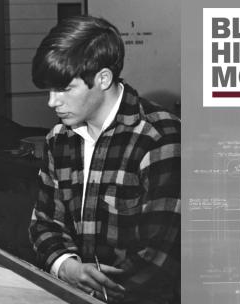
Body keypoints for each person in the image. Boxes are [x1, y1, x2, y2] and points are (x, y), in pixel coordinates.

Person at [28, 15, 180, 304]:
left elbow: (161, 254)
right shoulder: (58, 139)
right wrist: (67, 268)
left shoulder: (161, 136)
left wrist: (97, 290)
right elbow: (44, 223)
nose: (52, 102)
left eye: (64, 88)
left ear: (103, 78)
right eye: (49, 90)